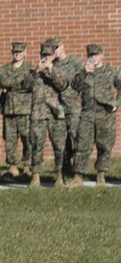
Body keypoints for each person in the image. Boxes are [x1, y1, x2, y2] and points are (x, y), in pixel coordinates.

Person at [70, 44, 120, 187]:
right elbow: (74, 85)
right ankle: (78, 176)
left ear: (102, 55)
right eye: (90, 55)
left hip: (105, 114)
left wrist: (117, 103)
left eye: (96, 55)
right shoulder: (83, 72)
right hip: (87, 114)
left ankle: (101, 175)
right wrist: (84, 73)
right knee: (82, 145)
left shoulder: (111, 72)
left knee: (105, 146)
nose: (93, 58)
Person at [30, 41, 68, 188]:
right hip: (38, 115)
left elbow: (62, 85)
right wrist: (36, 72)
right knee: (36, 146)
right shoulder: (34, 72)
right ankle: (35, 176)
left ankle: (59, 176)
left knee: (59, 146)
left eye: (48, 55)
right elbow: (25, 86)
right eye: (43, 55)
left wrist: (51, 70)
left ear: (53, 56)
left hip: (56, 114)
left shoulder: (58, 70)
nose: (45, 58)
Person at [0, 42, 35, 180]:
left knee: (27, 138)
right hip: (9, 109)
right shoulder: (4, 69)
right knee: (10, 139)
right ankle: (13, 166)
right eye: (15, 51)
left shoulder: (31, 69)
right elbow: (3, 82)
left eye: (20, 51)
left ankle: (27, 165)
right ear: (11, 51)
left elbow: (30, 86)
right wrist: (20, 84)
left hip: (25, 109)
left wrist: (12, 86)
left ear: (25, 52)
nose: (17, 54)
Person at [47, 37, 84, 176]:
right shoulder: (52, 64)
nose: (54, 51)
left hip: (73, 106)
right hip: (58, 107)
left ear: (62, 46)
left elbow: (83, 79)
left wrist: (80, 98)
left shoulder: (75, 63)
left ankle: (79, 168)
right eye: (52, 48)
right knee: (61, 139)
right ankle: (66, 166)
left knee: (76, 135)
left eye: (56, 47)